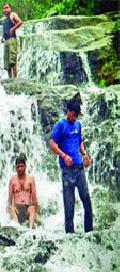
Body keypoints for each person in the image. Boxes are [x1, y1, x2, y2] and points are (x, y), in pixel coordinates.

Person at [50, 93, 93, 234]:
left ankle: (89, 231)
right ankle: (70, 235)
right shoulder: (60, 125)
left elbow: (79, 142)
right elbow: (52, 143)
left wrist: (84, 155)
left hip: (79, 168)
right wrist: (63, 155)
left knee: (86, 198)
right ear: (68, 111)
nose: (75, 118)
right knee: (69, 204)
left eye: (77, 116)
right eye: (74, 115)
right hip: (67, 171)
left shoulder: (78, 125)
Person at [8, 155, 38, 229]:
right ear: (15, 168)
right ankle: (17, 228)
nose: (20, 169)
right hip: (17, 209)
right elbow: (10, 199)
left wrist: (36, 214)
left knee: (32, 208)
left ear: (25, 166)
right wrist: (9, 210)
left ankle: (30, 229)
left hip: (27, 208)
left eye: (22, 166)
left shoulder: (31, 179)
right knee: (11, 208)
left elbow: (34, 199)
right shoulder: (12, 180)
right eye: (18, 167)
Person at [1, 3, 22, 79]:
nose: (5, 9)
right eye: (4, 8)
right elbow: (5, 30)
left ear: (10, 8)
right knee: (7, 63)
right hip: (6, 41)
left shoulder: (12, 15)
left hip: (12, 39)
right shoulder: (4, 19)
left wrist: (13, 29)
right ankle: (10, 79)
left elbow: (20, 22)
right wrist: (2, 37)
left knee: (12, 61)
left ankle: (15, 79)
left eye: (7, 7)